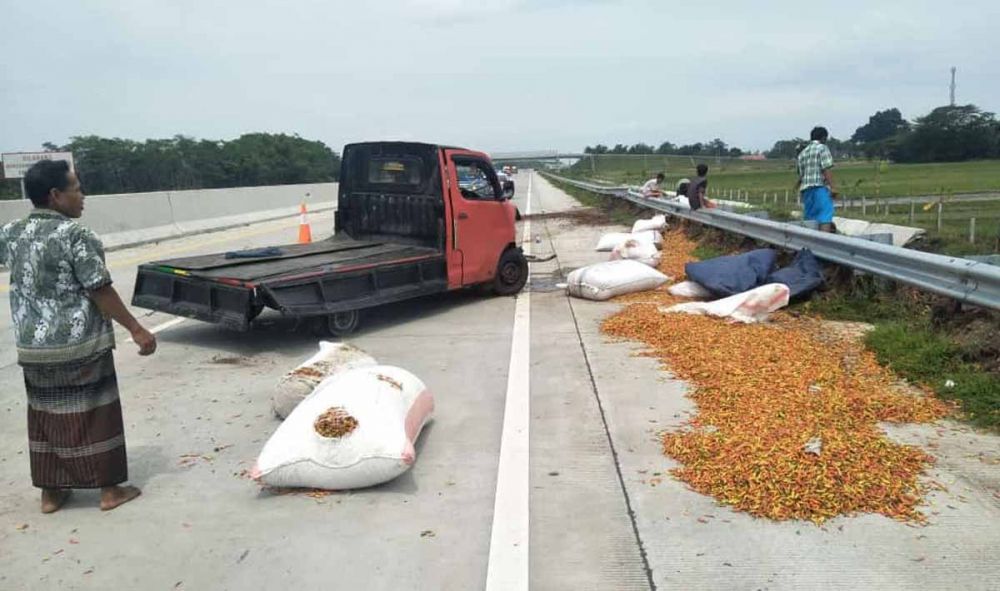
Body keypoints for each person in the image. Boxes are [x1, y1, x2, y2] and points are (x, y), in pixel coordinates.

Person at [0, 160, 157, 514]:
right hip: (80, 345)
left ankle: (51, 494)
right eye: (76, 188)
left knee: (45, 417)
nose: (82, 196)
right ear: (55, 195)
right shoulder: (77, 235)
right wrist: (136, 328)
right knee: (96, 414)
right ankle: (109, 491)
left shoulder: (10, 231)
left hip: (33, 348)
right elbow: (99, 289)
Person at [796, 126, 838, 232]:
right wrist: (833, 187)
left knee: (810, 218)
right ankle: (824, 243)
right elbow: (826, 168)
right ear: (823, 138)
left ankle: (809, 245)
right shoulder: (822, 148)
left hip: (806, 190)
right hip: (819, 187)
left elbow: (801, 174)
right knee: (825, 215)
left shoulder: (802, 153)